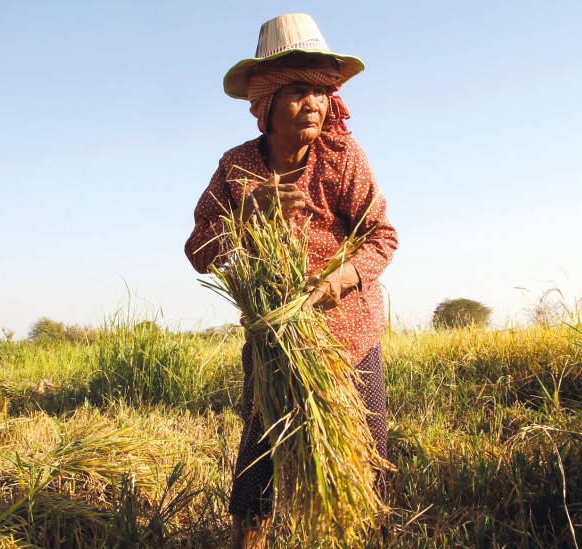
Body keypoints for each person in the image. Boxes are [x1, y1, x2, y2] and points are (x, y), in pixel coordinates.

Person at [184, 13, 398, 549]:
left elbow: (382, 238)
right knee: (260, 453)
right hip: (275, 341)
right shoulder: (237, 169)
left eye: (321, 92)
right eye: (298, 91)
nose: (315, 104)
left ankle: (365, 534)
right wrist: (245, 220)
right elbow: (198, 253)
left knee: (367, 450)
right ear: (267, 104)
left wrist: (340, 280)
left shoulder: (342, 157)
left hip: (347, 333)